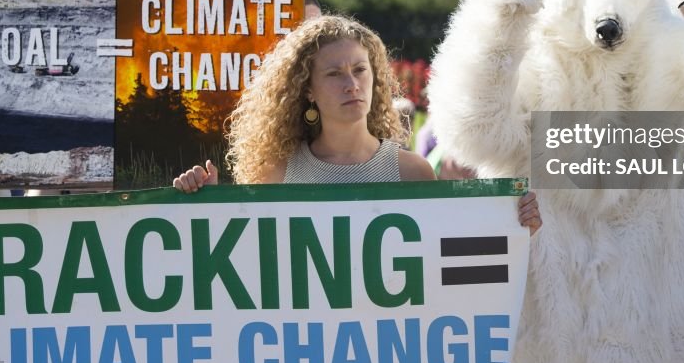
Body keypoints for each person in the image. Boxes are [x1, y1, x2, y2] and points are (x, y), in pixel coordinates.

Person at [174, 15, 541, 232]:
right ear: (308, 90)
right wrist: (208, 206)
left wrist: (512, 225)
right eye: (334, 73)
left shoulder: (411, 172)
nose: (352, 84)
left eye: (360, 70)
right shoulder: (276, 173)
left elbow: (443, 262)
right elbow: (245, 263)